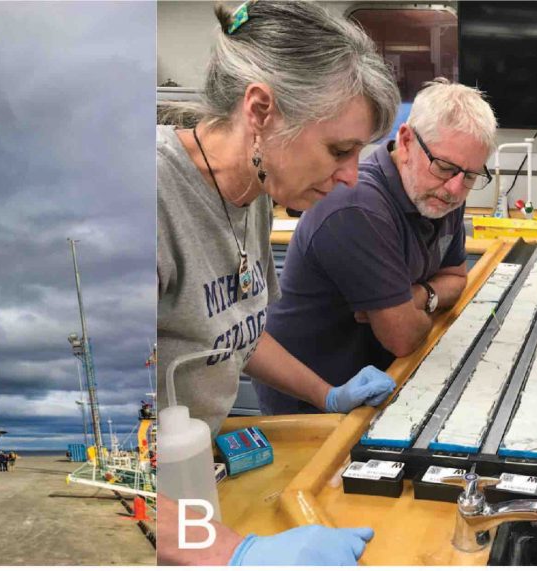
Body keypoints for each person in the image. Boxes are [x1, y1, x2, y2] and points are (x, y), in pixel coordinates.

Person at [155, 0, 396, 565]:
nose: (349, 176)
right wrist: (236, 553)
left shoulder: (256, 191)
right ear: (260, 110)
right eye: (339, 150)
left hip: (195, 483)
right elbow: (101, 458)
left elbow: (237, 328)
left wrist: (326, 396)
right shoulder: (153, 203)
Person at [258, 78, 492, 415]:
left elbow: (456, 278)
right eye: (444, 167)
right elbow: (404, 337)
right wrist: (416, 309)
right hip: (313, 402)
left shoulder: (440, 196)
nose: (455, 188)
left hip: (380, 383)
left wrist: (418, 297)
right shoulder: (359, 207)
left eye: (470, 175)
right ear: (407, 141)